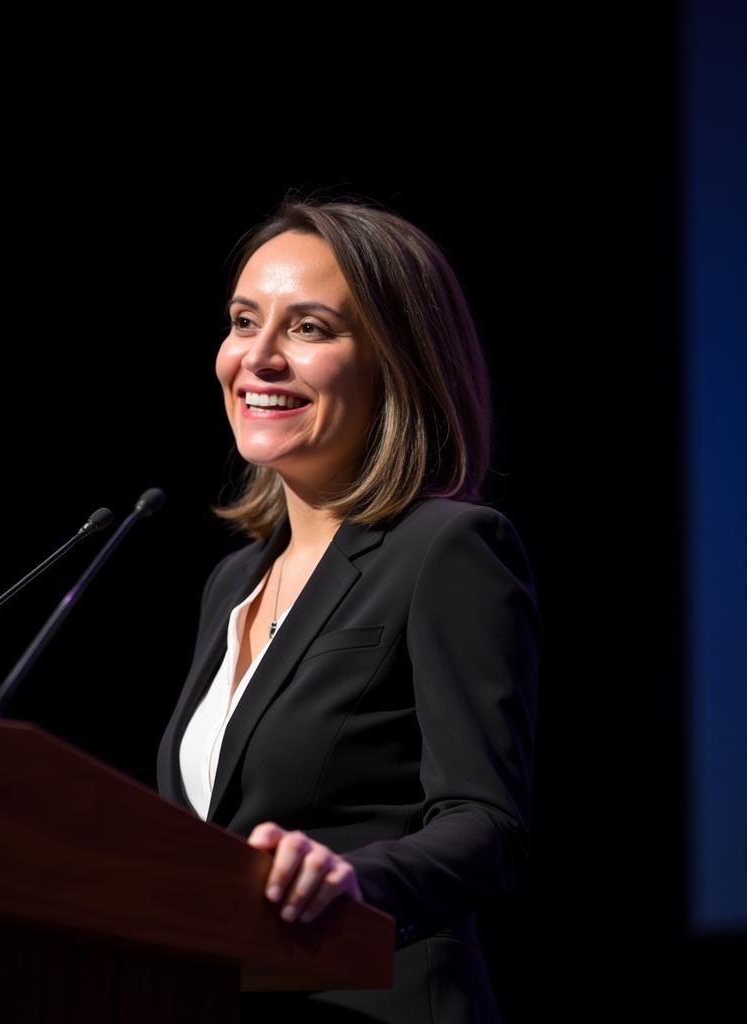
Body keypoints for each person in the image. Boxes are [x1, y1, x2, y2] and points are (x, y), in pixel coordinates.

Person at [154, 196, 541, 1023]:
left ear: (394, 363)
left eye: (309, 329)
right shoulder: (233, 585)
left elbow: (486, 827)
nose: (256, 358)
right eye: (243, 321)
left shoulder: (448, 549)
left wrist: (352, 881)